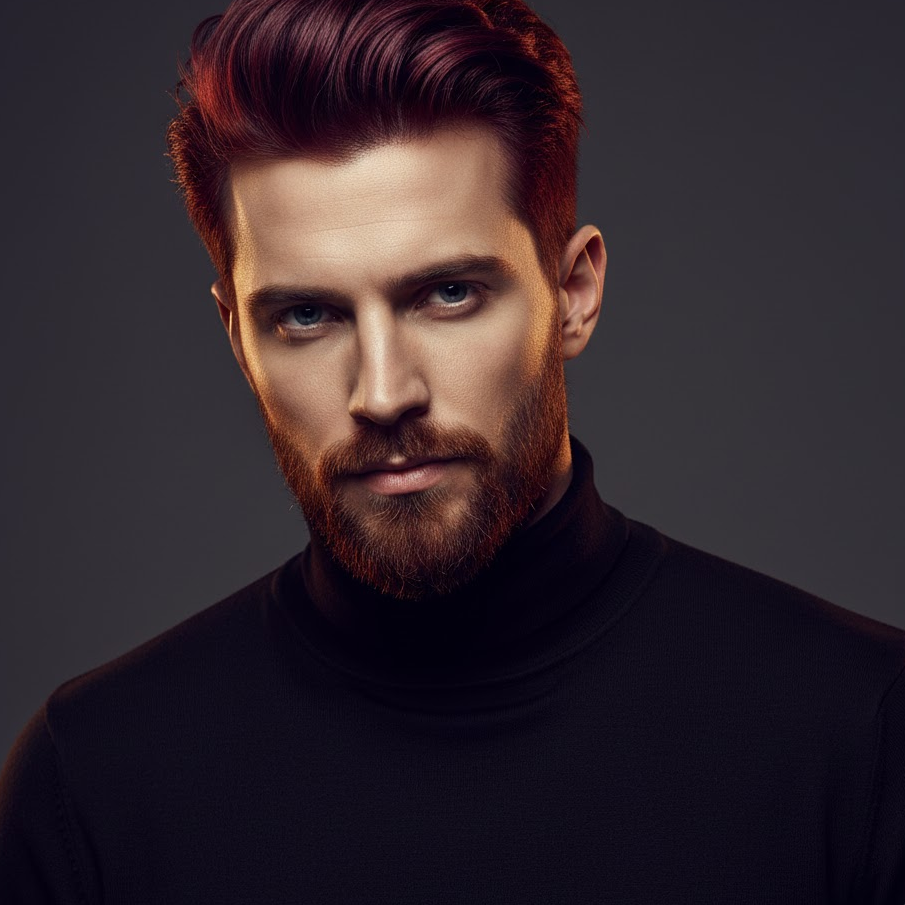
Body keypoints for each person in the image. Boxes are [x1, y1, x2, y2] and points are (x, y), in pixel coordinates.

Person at [1, 0, 903, 900]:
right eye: (306, 315)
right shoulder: (93, 785)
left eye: (448, 293)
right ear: (239, 340)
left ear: (573, 293)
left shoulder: (862, 734)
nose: (382, 392)